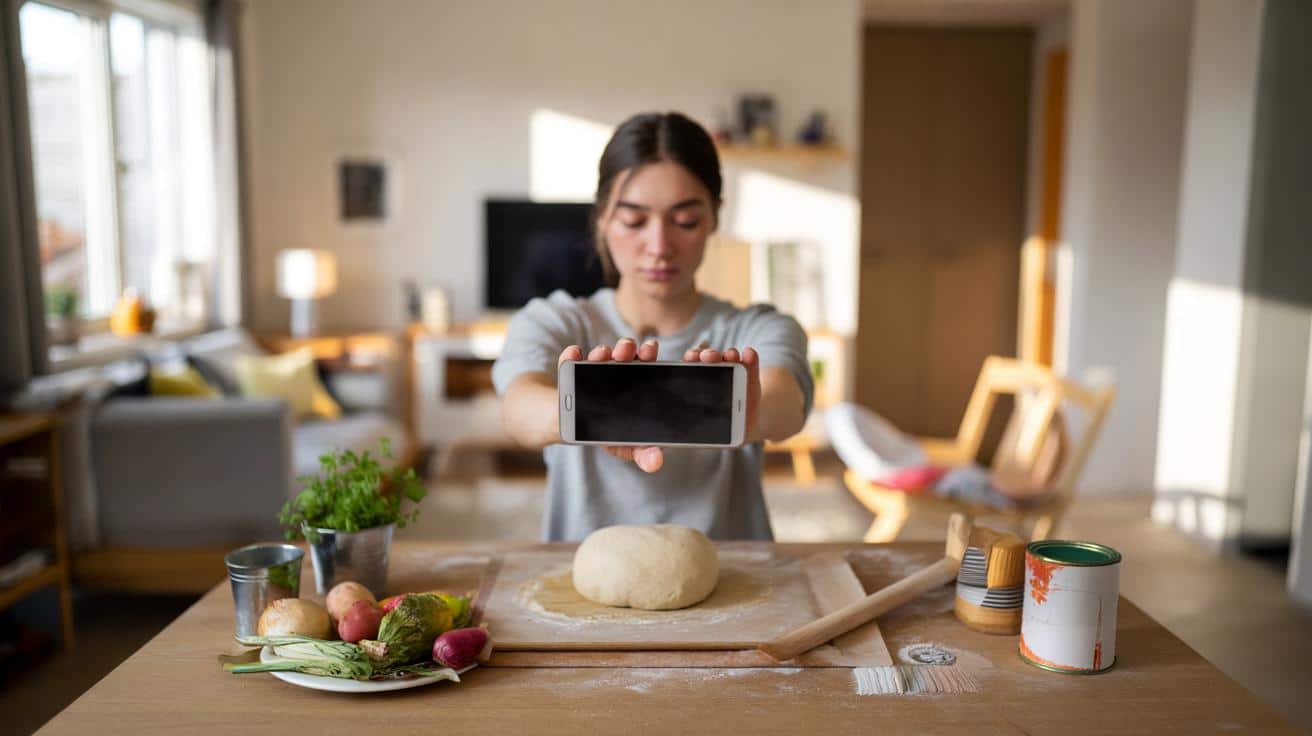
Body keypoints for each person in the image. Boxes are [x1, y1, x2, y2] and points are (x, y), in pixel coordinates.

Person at [491, 111, 813, 542]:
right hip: (582, 581)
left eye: (685, 221)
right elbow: (518, 409)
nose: (659, 246)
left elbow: (784, 404)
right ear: (603, 217)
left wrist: (747, 412)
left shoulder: (758, 328)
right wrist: (593, 414)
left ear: (715, 217)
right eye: (634, 220)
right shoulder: (554, 321)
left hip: (735, 579)